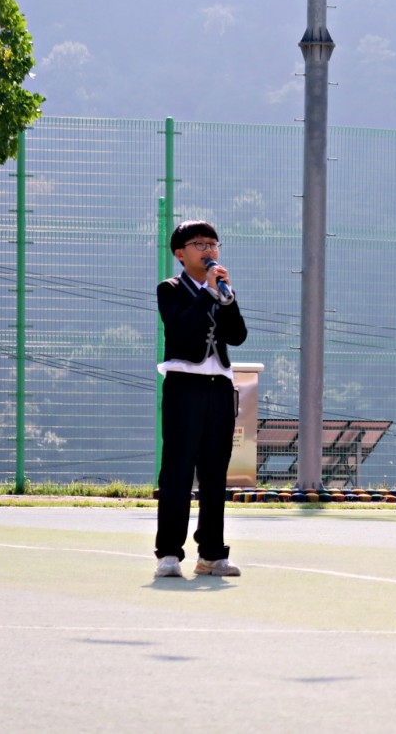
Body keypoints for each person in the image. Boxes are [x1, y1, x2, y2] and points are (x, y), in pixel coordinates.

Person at [153, 220, 248, 579]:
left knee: (214, 473)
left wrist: (227, 298)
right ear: (180, 253)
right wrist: (208, 293)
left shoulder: (221, 287)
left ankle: (211, 553)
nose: (209, 250)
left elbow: (237, 337)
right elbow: (180, 329)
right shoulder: (170, 289)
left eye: (213, 243)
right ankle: (168, 553)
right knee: (178, 470)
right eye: (199, 244)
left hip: (219, 386)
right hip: (185, 385)